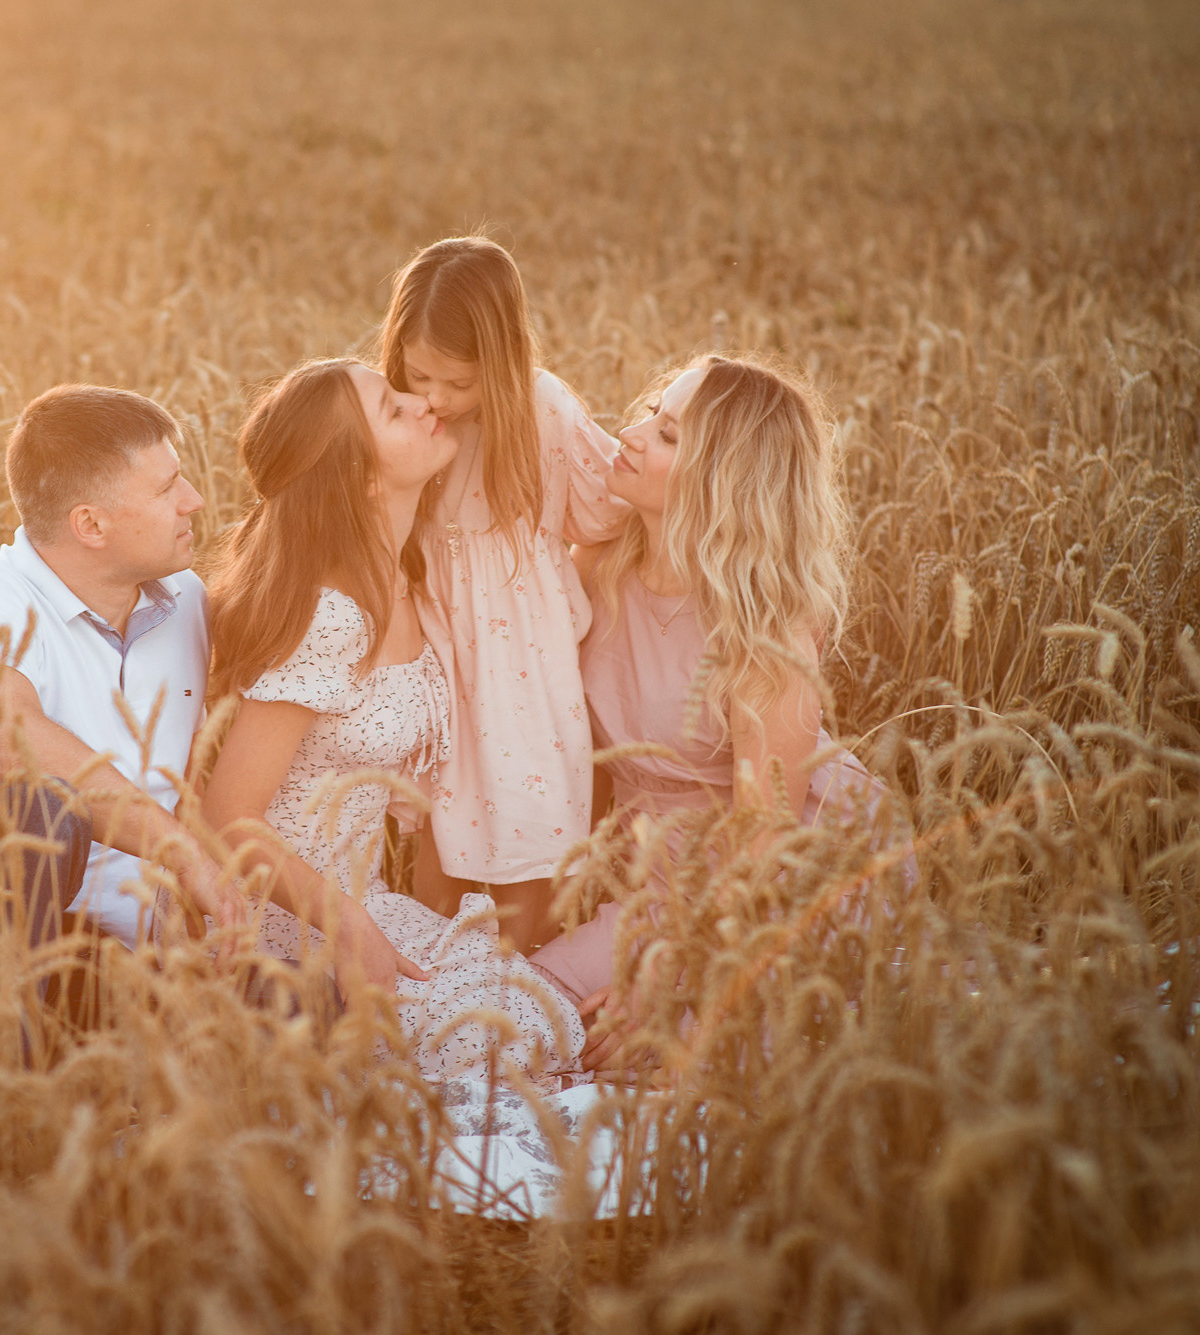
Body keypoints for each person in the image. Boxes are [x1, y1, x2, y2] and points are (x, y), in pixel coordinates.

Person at [202, 358, 620, 1087]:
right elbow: (229, 816)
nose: (428, 405)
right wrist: (349, 925)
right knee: (510, 1047)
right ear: (364, 478)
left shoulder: (410, 575)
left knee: (549, 1020)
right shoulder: (328, 613)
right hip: (295, 934)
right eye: (396, 409)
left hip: (367, 911)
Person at [533, 355, 901, 1030]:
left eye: (670, 434)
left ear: (722, 479)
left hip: (784, 879)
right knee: (531, 1005)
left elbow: (766, 840)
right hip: (660, 870)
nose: (634, 434)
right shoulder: (598, 566)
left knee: (674, 1045)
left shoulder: (766, 621)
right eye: (652, 415)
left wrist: (676, 977)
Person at [0, 384, 243, 965]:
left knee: (310, 1005)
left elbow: (187, 785)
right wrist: (178, 850)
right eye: (167, 488)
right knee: (41, 808)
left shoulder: (186, 601)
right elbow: (14, 749)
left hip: (108, 958)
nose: (195, 500)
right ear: (91, 525)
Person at [379, 236, 631, 953]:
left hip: (525, 666)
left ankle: (527, 987)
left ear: (504, 358)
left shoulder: (544, 408)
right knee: (441, 826)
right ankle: (431, 983)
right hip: (436, 653)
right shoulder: (402, 416)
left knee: (532, 821)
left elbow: (607, 510)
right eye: (420, 373)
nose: (435, 398)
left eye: (458, 383)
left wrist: (563, 592)